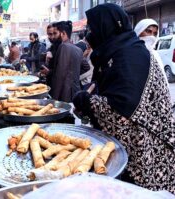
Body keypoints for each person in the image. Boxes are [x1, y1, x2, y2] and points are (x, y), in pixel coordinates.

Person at [73, 3, 175, 193]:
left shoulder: (130, 56)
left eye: (93, 28)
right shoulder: (118, 51)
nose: (89, 34)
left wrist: (87, 102)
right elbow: (108, 87)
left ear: (108, 27)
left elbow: (122, 110)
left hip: (148, 150)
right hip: (133, 145)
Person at [50, 21, 83, 102]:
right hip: (75, 92)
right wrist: (72, 74)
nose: (53, 37)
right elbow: (85, 67)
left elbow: (60, 75)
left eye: (55, 33)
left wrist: (53, 100)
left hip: (64, 95)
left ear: (63, 33)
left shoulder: (63, 46)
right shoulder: (78, 49)